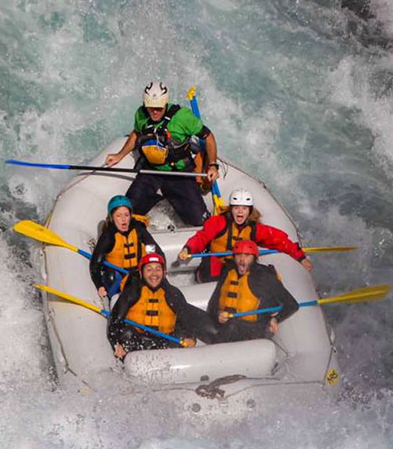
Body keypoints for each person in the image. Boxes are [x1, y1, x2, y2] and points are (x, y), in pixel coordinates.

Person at [104, 81, 219, 227]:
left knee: (199, 221)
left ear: (165, 103)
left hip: (179, 173)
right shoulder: (140, 114)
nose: (155, 112)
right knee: (126, 213)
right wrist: (119, 155)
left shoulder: (183, 117)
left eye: (159, 108)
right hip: (150, 171)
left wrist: (213, 165)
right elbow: (137, 133)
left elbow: (208, 137)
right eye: (151, 108)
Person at [178, 188, 312, 282]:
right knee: (218, 273)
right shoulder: (218, 222)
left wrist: (300, 258)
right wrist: (187, 249)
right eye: (236, 208)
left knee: (269, 275)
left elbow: (280, 241)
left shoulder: (254, 229)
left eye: (244, 208)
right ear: (231, 209)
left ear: (249, 210)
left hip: (239, 267)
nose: (240, 212)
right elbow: (201, 238)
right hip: (216, 266)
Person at [107, 253, 210, 359]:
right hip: (138, 341)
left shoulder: (173, 294)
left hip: (165, 342)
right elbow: (115, 322)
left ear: (164, 272)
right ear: (141, 273)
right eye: (149, 269)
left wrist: (191, 338)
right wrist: (117, 343)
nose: (154, 274)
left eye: (158, 269)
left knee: (181, 336)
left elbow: (186, 322)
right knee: (126, 333)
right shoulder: (131, 293)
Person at [207, 240, 299, 343]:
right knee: (190, 311)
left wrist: (276, 319)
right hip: (227, 325)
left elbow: (292, 305)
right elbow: (213, 304)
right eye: (238, 255)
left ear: (254, 258)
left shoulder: (264, 277)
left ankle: (214, 348)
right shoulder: (228, 273)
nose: (242, 260)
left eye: (247, 255)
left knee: (233, 325)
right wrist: (218, 313)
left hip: (256, 328)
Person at [90, 195, 163, 299]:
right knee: (111, 278)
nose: (123, 220)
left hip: (139, 272)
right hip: (119, 275)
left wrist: (157, 267)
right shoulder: (108, 236)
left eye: (126, 215)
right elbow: (95, 265)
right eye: (118, 216)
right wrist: (99, 285)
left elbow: (154, 249)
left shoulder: (138, 230)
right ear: (112, 218)